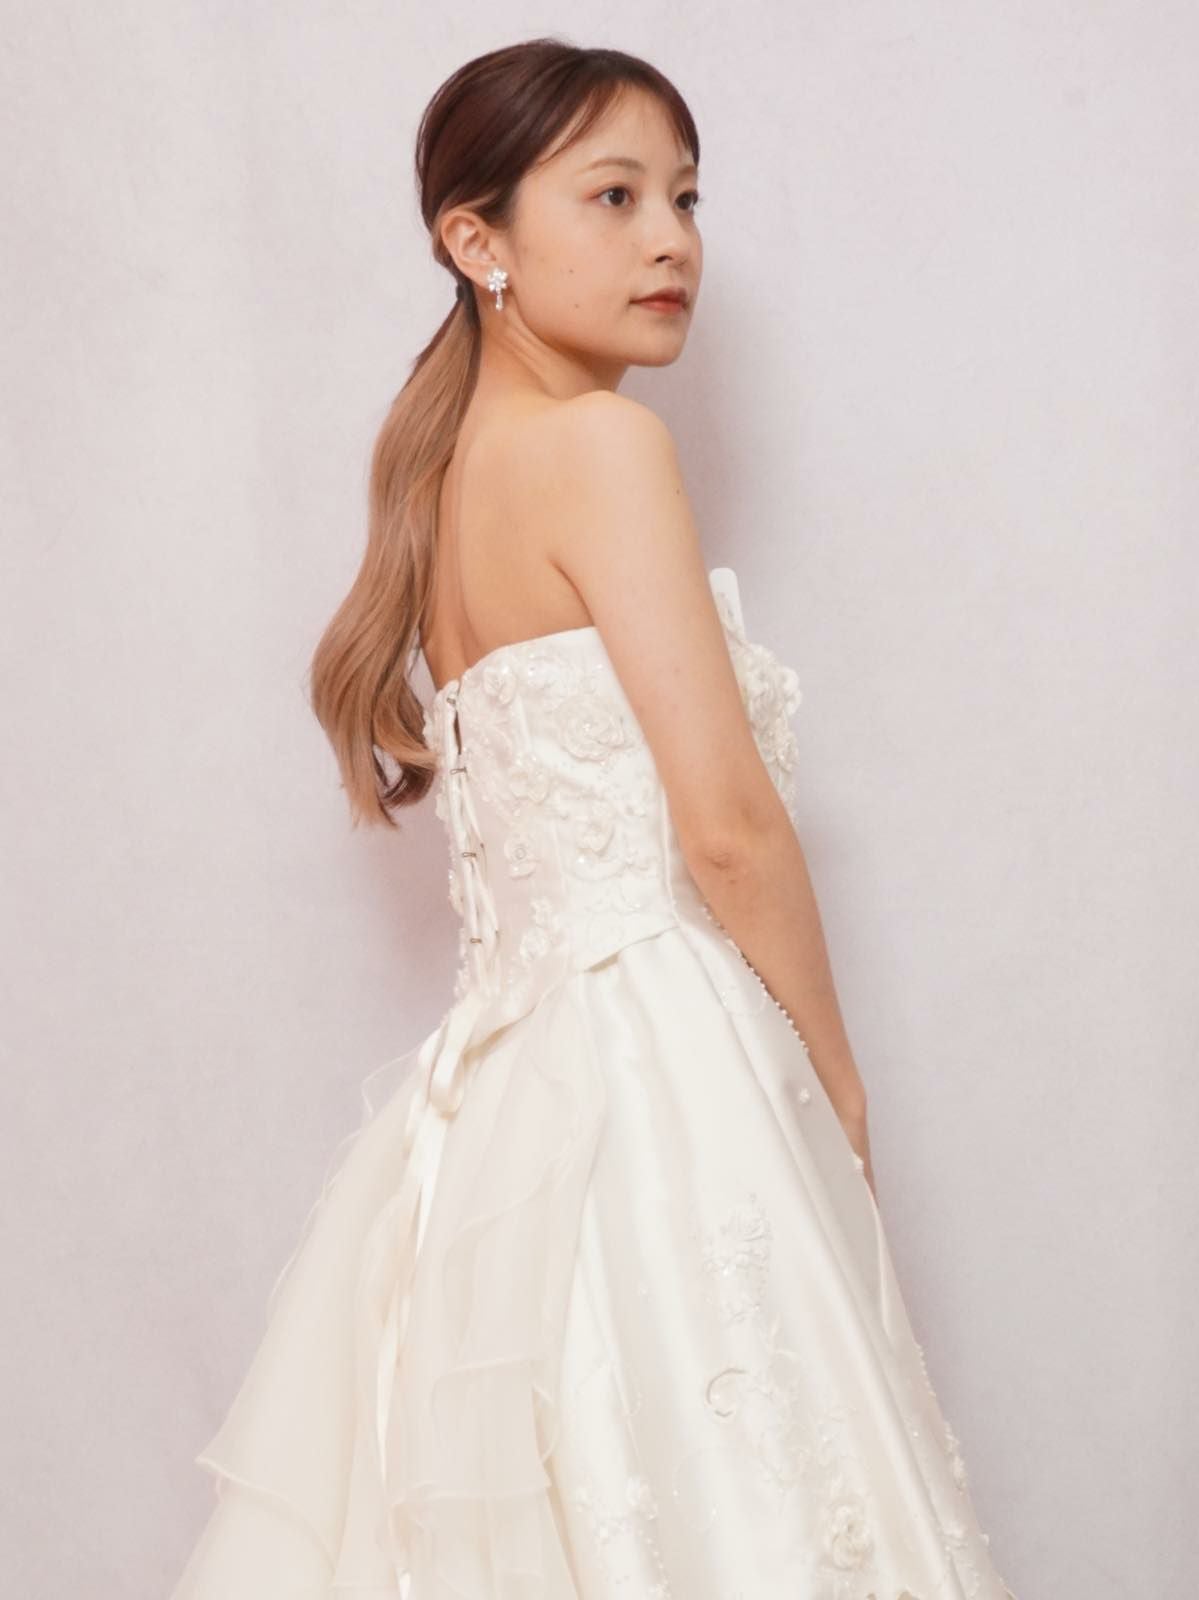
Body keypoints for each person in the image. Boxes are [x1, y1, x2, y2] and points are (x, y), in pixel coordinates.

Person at [169, 37, 1020, 1600]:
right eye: (614, 197)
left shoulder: (449, 484)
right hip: (655, 1068)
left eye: (687, 198)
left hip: (507, 1103)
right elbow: (727, 826)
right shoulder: (602, 447)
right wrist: (835, 1081)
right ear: (476, 240)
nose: (671, 240)